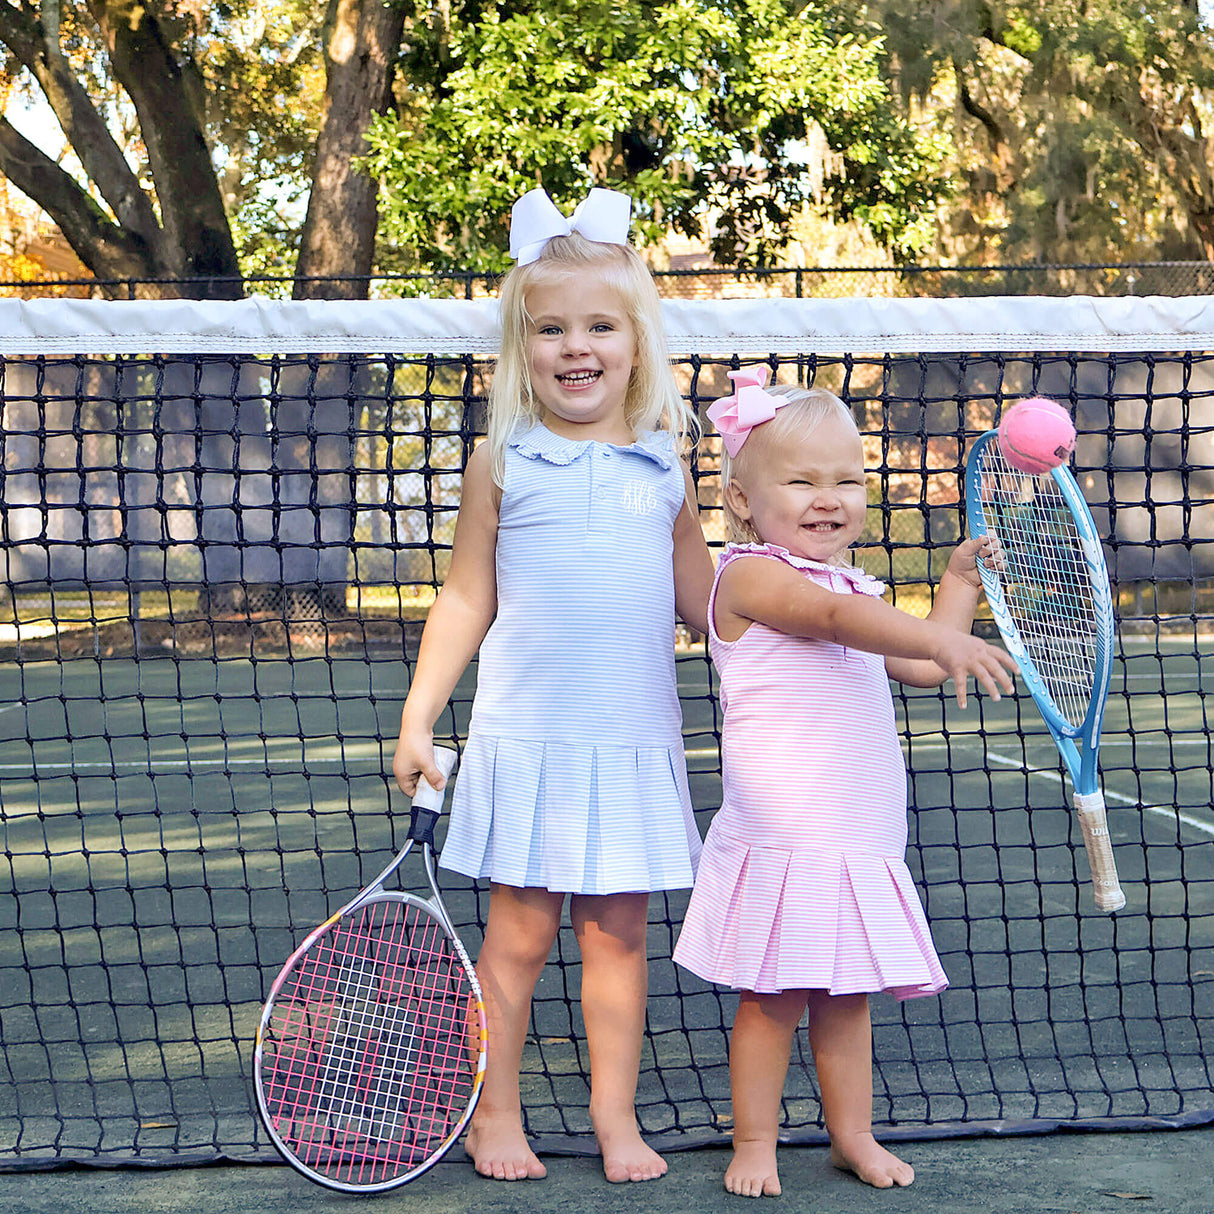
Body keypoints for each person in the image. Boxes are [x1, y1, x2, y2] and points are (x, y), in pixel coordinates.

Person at [392, 186, 715, 1184]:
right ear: (520, 345)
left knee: (618, 939)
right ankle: (495, 1117)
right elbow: (462, 600)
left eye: (599, 326)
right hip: (523, 742)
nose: (576, 346)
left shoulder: (665, 463)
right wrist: (417, 712)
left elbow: (707, 602)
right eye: (551, 328)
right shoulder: (500, 460)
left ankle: (613, 1118)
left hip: (629, 742)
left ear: (634, 340)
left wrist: (812, 606)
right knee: (517, 940)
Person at [673, 369, 1016, 1198]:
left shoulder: (856, 586)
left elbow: (915, 662)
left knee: (847, 996)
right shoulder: (750, 578)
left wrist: (957, 590)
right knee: (774, 996)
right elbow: (831, 624)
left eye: (848, 481)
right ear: (745, 501)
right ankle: (754, 1142)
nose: (829, 499)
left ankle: (850, 1136)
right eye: (802, 481)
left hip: (858, 836)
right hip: (787, 833)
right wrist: (942, 643)